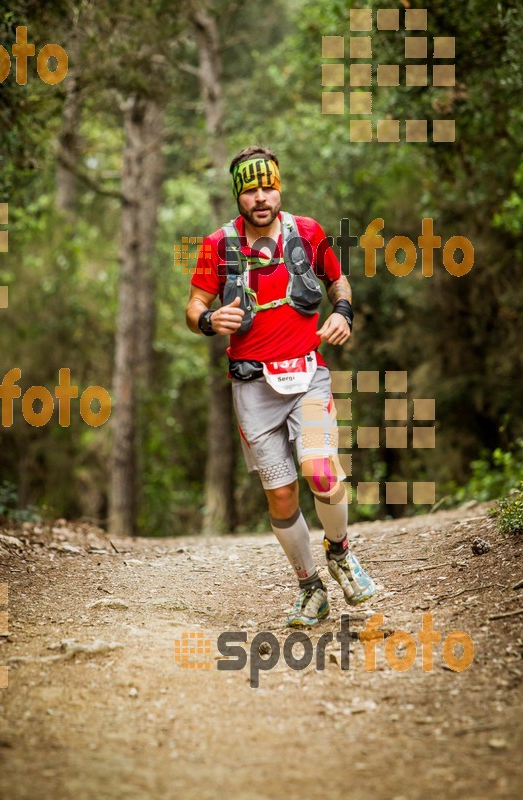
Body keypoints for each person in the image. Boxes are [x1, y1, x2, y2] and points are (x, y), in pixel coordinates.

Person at [186, 145, 375, 627]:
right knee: (282, 496)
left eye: (268, 186)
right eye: (250, 190)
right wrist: (209, 319)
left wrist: (343, 312)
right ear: (238, 196)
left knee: (322, 472)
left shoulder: (307, 232)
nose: (261, 197)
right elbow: (194, 305)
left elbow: (339, 280)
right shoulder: (217, 245)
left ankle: (340, 552)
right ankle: (310, 588)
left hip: (308, 374)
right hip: (252, 387)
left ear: (279, 186)